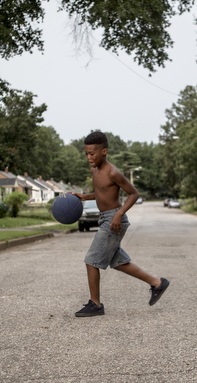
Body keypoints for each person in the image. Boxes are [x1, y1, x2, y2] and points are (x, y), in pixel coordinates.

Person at [71, 131, 170, 317]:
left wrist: (119, 213)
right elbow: (102, 192)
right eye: (86, 154)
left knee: (91, 260)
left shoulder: (112, 172)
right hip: (105, 218)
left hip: (113, 221)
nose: (89, 157)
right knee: (116, 262)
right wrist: (85, 196)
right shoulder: (95, 170)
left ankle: (95, 304)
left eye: (92, 153)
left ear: (104, 152)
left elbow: (134, 193)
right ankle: (157, 283)